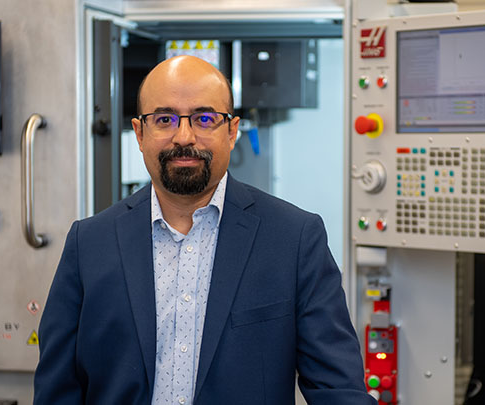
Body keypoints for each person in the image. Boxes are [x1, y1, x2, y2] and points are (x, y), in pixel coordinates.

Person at [34, 55, 376, 405]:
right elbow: (57, 390)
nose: (184, 136)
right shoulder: (89, 244)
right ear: (139, 132)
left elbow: (339, 392)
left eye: (205, 118)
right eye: (164, 119)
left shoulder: (294, 239)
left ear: (231, 131)